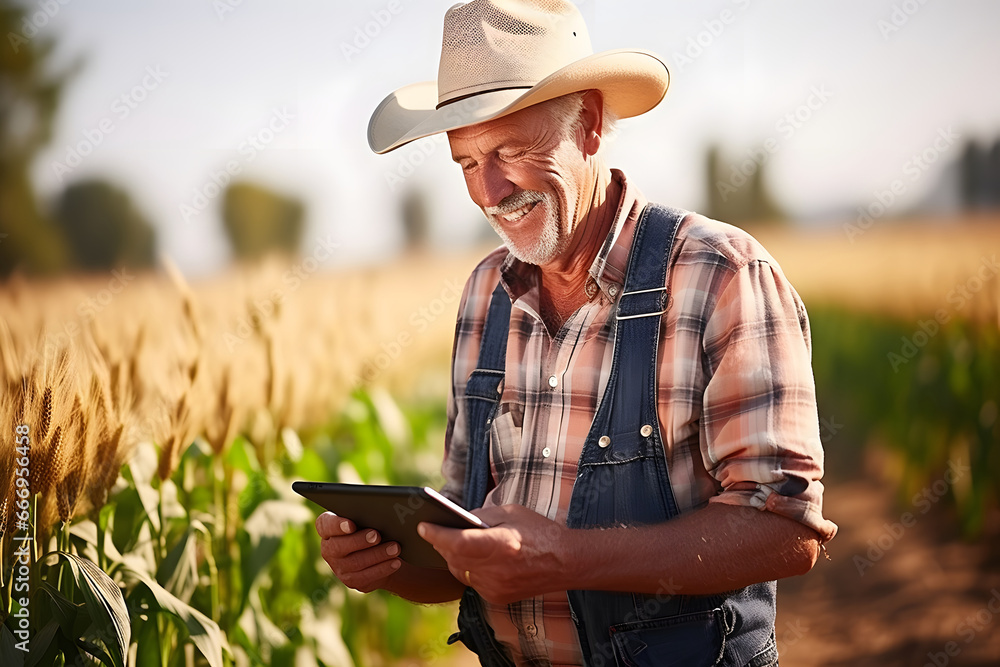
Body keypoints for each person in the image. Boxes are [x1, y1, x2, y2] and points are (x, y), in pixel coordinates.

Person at [316, 1, 837, 665]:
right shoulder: (484, 295)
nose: (489, 191)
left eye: (510, 150)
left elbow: (786, 532)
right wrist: (389, 562)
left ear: (588, 125)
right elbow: (468, 555)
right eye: (467, 163)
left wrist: (565, 558)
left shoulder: (721, 273)